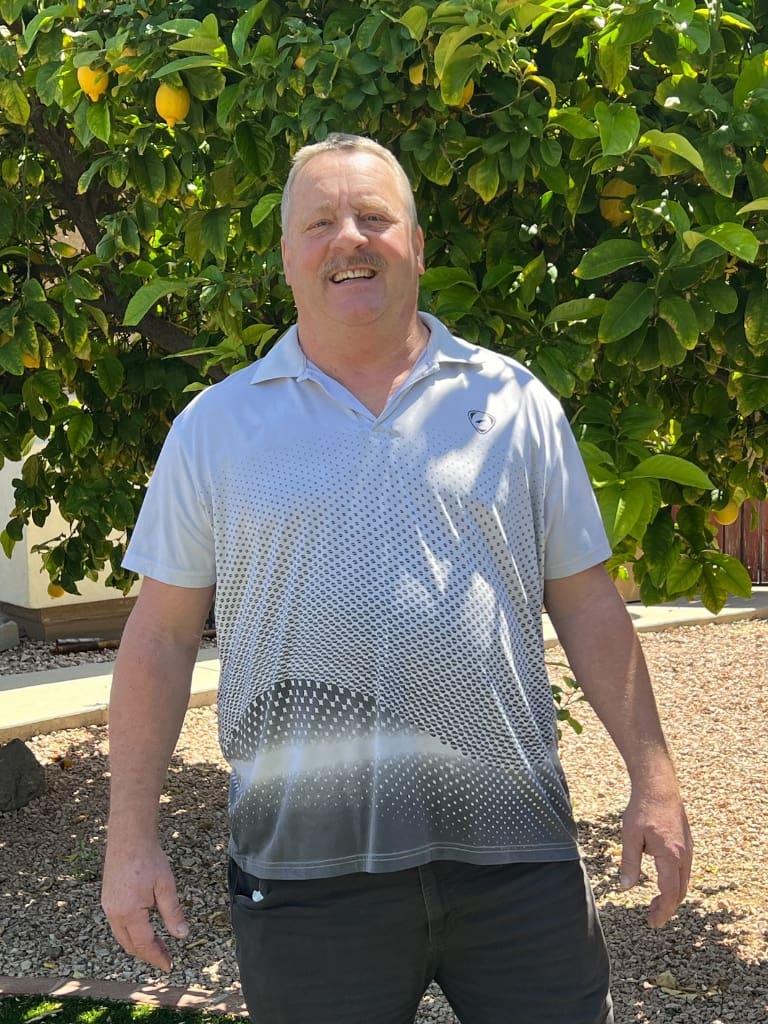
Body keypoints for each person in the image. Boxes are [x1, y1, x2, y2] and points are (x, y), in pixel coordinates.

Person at [101, 133, 692, 1024]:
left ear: (416, 245)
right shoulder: (215, 428)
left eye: (375, 218)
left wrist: (655, 779)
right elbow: (161, 635)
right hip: (305, 871)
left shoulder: (515, 402)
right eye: (321, 222)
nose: (350, 239)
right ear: (288, 258)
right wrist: (129, 836)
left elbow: (587, 599)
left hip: (515, 855)